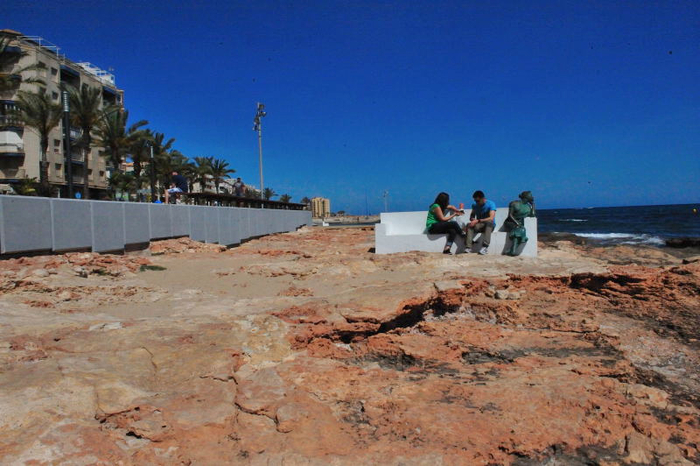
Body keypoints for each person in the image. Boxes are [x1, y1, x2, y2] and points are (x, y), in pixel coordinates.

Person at [503, 191, 536, 256]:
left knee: (521, 229)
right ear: (527, 196)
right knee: (520, 229)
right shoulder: (514, 204)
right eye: (531, 195)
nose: (532, 197)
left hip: (520, 225)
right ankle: (513, 250)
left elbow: (533, 215)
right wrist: (516, 222)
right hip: (510, 223)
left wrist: (533, 205)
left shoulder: (528, 207)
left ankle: (512, 250)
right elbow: (510, 215)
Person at [465, 190, 496, 255]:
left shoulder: (491, 204)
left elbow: (491, 218)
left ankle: (485, 247)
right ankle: (468, 247)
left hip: (489, 225)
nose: (477, 202)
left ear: (483, 198)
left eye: (478, 201)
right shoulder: (474, 205)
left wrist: (478, 220)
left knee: (489, 222)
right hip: (480, 225)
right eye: (475, 201)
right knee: (469, 225)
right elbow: (472, 215)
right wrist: (472, 219)